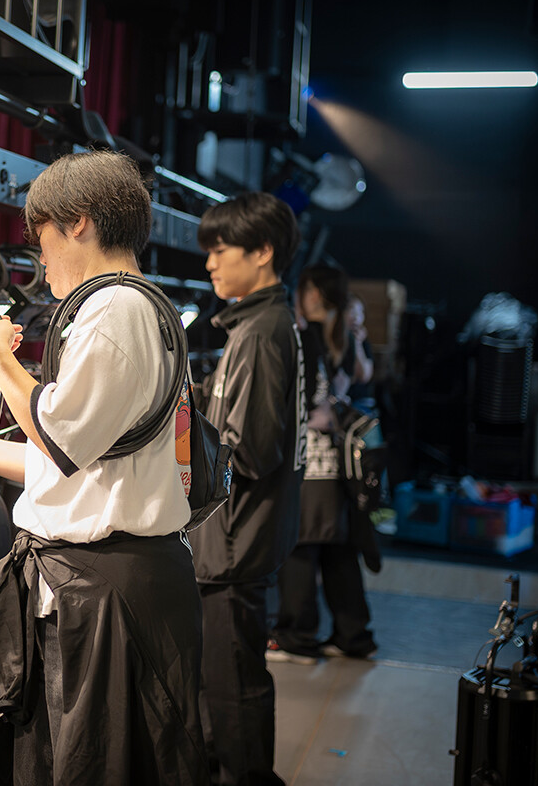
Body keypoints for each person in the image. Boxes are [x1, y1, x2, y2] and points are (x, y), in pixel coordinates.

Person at [0, 150, 208, 786]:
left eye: (42, 239)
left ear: (78, 222)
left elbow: (58, 434)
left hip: (105, 596)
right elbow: (78, 461)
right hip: (109, 587)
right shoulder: (140, 308)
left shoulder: (115, 309)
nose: (41, 261)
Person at [187, 192, 305, 786]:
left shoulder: (261, 331)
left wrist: (187, 427)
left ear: (262, 252)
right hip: (242, 536)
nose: (210, 262)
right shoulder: (261, 323)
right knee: (222, 681)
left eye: (221, 249)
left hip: (236, 540)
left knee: (233, 685)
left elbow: (252, 450)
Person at [270, 264, 378, 662]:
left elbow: (297, 401)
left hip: (309, 464)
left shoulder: (305, 338)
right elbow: (360, 380)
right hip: (340, 465)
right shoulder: (344, 337)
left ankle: (297, 637)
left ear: (312, 293)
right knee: (338, 551)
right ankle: (353, 636)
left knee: (299, 547)